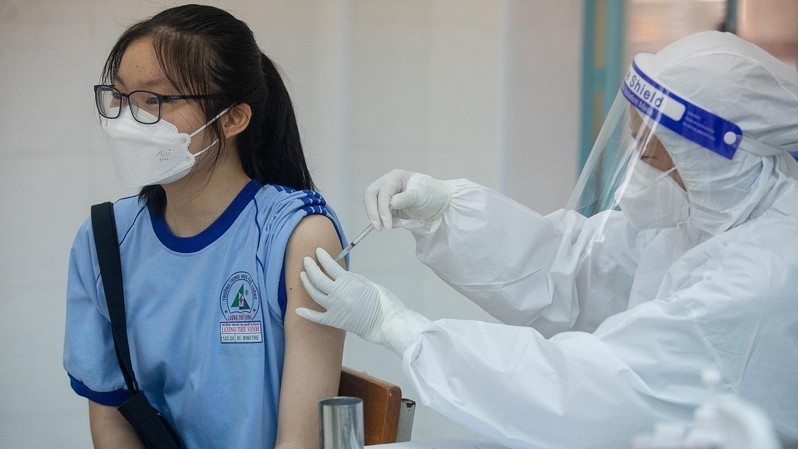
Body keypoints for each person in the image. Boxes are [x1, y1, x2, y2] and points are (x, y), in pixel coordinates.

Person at [297, 31, 798, 449]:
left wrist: (400, 328)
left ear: (713, 160)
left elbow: (590, 390)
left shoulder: (762, 276)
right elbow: (578, 268)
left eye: (650, 157)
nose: (638, 174)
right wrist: (448, 213)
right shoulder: (704, 219)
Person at [63, 5, 346, 449]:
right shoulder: (104, 240)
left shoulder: (297, 236)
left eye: (154, 100)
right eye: (120, 97)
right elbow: (112, 422)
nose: (126, 121)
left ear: (233, 118)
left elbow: (302, 441)